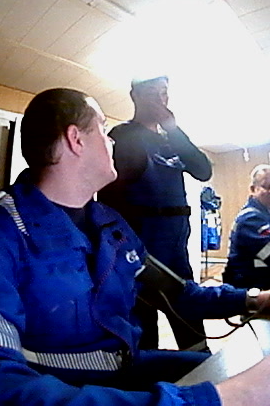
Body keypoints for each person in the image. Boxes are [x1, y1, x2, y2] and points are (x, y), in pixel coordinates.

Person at [0, 88, 270, 406]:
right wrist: (213, 400)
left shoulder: (110, 224)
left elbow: (179, 294)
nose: (111, 142)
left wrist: (258, 299)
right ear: (76, 139)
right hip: (66, 390)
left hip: (124, 369)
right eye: (102, 129)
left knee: (240, 368)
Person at [98, 75, 212, 351]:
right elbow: (107, 197)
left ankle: (203, 368)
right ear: (135, 96)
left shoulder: (171, 141)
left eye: (164, 92)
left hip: (176, 250)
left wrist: (173, 129)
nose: (161, 99)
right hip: (140, 249)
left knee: (191, 326)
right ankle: (149, 373)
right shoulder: (121, 137)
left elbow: (203, 170)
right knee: (144, 331)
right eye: (152, 92)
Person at [222, 165, 270, 290]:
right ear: (253, 189)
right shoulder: (249, 219)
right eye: (266, 186)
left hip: (264, 283)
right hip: (249, 289)